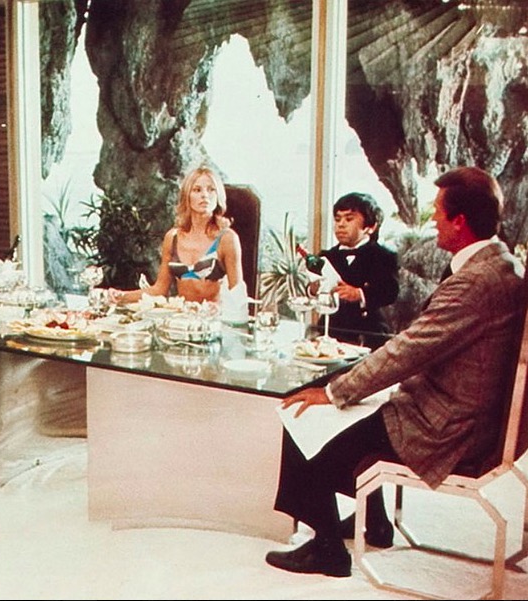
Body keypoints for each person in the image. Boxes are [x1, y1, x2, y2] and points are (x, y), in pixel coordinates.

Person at [265, 166, 525, 578]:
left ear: (460, 221)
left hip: (443, 426)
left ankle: (328, 550)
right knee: (340, 406)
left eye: (438, 211)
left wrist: (334, 392)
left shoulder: (475, 282)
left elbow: (408, 350)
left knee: (305, 418)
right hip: (468, 415)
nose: (433, 218)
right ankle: (377, 522)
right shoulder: (504, 265)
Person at [110, 165, 244, 304]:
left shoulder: (227, 239)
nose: (205, 195)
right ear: (187, 196)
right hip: (181, 315)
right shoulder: (172, 238)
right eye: (197, 190)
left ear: (218, 196)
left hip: (214, 316)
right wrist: (122, 296)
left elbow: (238, 294)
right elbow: (159, 289)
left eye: (211, 189)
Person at [311, 192, 399, 337]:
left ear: (370, 226)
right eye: (337, 219)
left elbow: (390, 292)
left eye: (349, 219)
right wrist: (312, 290)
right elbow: (312, 291)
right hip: (329, 331)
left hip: (368, 333)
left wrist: (359, 294)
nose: (341, 225)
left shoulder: (383, 256)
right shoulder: (326, 257)